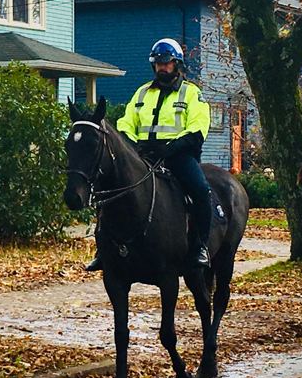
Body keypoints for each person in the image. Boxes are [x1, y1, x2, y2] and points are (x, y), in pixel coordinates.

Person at [85, 38, 212, 271]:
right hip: (142, 154)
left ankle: (200, 246)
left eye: (166, 63)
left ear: (177, 64)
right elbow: (125, 123)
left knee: (201, 190)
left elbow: (197, 127)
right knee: (108, 189)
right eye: (158, 63)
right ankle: (104, 249)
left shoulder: (192, 94)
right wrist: (132, 146)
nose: (162, 67)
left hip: (178, 156)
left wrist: (172, 147)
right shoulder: (142, 93)